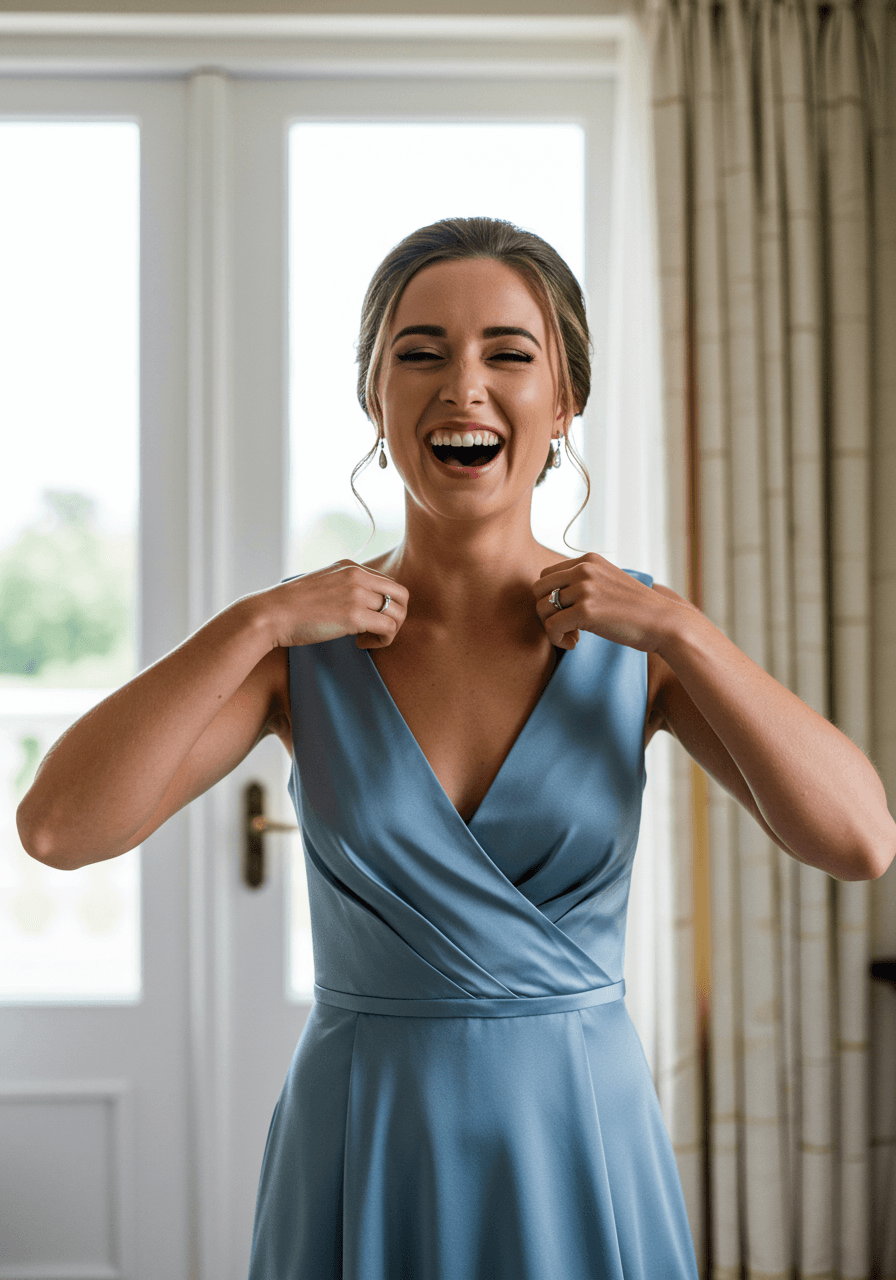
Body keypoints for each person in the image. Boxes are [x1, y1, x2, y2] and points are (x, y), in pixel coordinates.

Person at [17, 216, 895, 1279]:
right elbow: (58, 827)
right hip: (361, 1134)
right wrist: (251, 621)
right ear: (374, 400)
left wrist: (680, 629)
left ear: (564, 400)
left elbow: (858, 841)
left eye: (508, 354)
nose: (462, 386)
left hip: (578, 1137)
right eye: (419, 353)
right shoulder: (304, 648)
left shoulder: (641, 645)